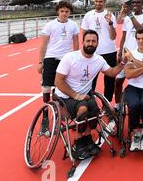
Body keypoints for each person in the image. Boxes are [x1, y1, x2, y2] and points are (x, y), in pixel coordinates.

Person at [54, 30, 126, 160]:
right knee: (83, 109)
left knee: (93, 109)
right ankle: (78, 142)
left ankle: (87, 139)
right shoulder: (70, 58)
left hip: (85, 95)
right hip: (65, 96)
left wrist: (123, 63)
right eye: (88, 41)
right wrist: (76, 95)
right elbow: (58, 81)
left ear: (97, 43)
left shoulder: (98, 60)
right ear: (83, 42)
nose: (90, 43)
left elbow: (111, 72)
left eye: (93, 41)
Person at [38, 0, 79, 134]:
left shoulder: (73, 25)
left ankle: (60, 117)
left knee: (61, 90)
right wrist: (40, 62)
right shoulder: (50, 25)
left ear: (70, 12)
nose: (64, 13)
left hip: (65, 60)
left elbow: (76, 44)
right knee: (46, 89)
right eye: (62, 11)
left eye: (67, 11)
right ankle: (45, 120)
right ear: (58, 11)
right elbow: (43, 45)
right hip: (51, 58)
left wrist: (76, 59)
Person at [115, 0, 143, 110]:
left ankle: (142, 105)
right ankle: (117, 105)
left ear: (142, 4)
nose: (135, 4)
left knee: (140, 80)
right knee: (118, 80)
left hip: (139, 54)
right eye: (133, 3)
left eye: (138, 3)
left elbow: (141, 30)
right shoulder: (127, 18)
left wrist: (130, 14)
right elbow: (124, 36)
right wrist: (120, 51)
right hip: (126, 53)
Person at [81, 0, 117, 102]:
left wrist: (110, 23)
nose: (98, 3)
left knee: (110, 80)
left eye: (100, 1)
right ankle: (90, 104)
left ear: (105, 2)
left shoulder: (110, 15)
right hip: (93, 52)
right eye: (96, 1)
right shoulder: (88, 15)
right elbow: (83, 33)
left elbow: (113, 36)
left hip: (109, 51)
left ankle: (107, 105)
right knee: (90, 80)